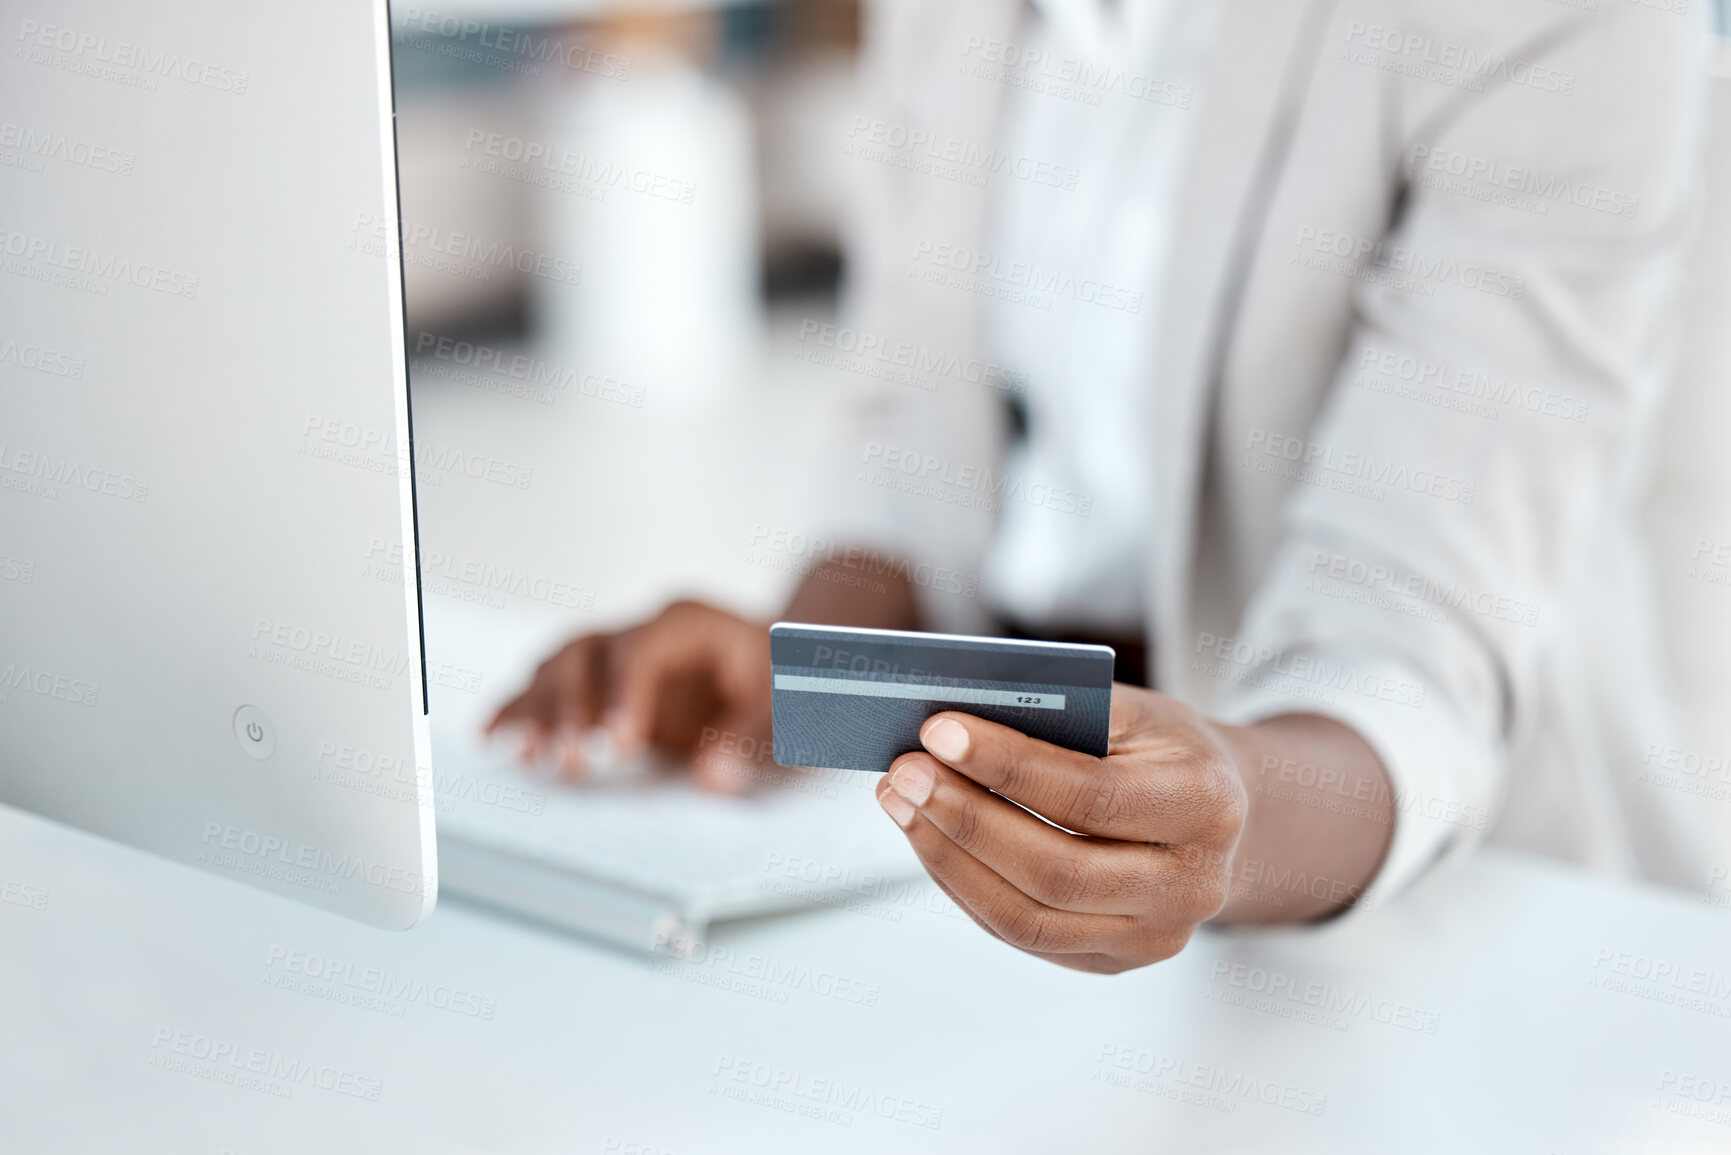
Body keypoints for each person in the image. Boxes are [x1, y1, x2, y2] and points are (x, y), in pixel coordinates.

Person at [488, 0, 1720, 973]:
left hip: (1450, 901)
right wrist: (807, 667)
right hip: (1011, 882)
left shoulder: (1569, 18)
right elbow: (911, 425)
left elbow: (1407, 632)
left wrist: (1218, 818)